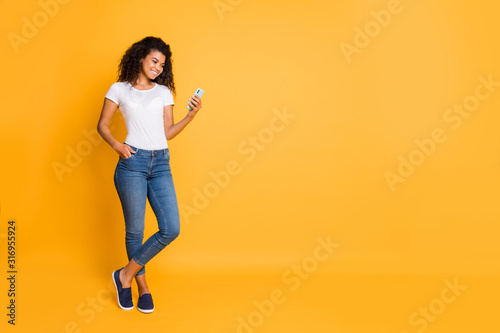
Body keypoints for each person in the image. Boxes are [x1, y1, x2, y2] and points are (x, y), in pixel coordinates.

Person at [97, 36, 203, 313]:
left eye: (162, 64)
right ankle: (142, 287)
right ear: (141, 57)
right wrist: (118, 146)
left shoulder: (163, 92)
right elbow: (103, 125)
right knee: (135, 231)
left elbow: (166, 133)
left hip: (160, 163)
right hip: (132, 164)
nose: (157, 67)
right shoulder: (119, 89)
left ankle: (124, 275)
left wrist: (190, 116)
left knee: (171, 228)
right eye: (154, 61)